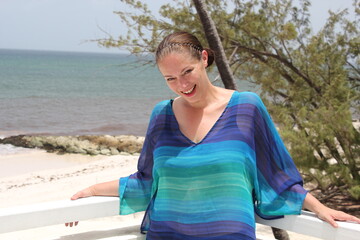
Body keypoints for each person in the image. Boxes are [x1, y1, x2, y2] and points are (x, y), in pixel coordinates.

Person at [65, 31, 360, 239]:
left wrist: (319, 208)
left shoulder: (247, 107)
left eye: (187, 71)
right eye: (170, 78)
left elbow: (277, 175)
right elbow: (146, 181)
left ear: (204, 58)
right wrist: (89, 191)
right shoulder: (161, 115)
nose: (181, 84)